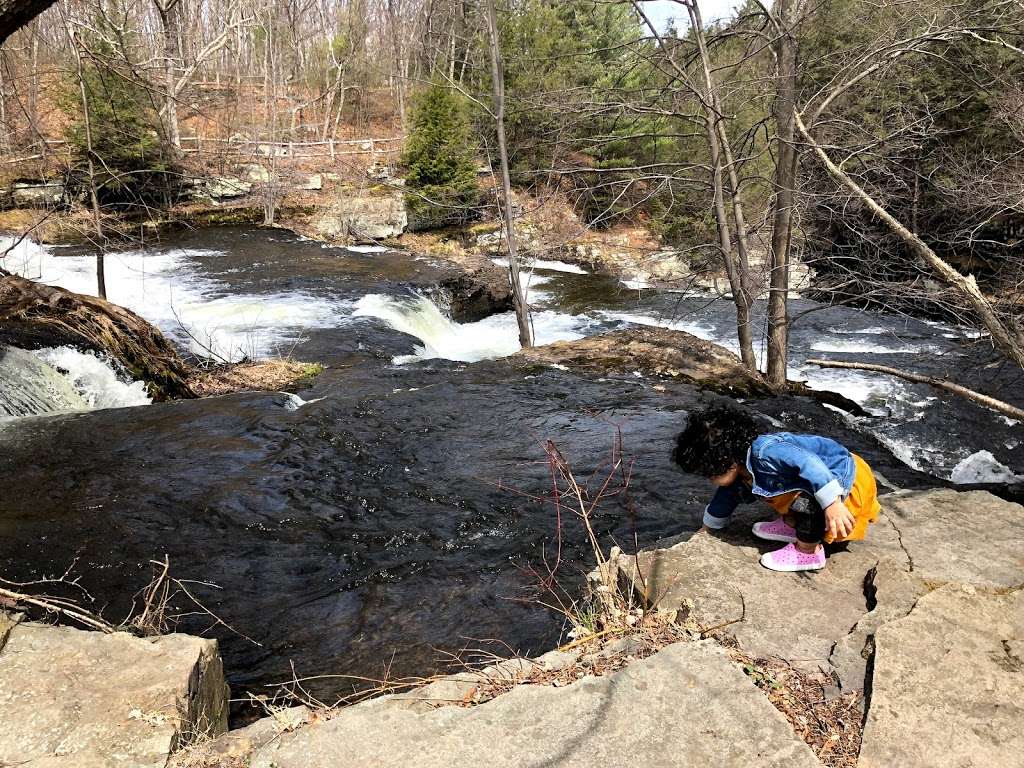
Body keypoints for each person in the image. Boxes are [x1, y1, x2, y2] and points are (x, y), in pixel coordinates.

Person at [671, 404, 880, 572]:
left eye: (709, 473)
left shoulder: (768, 453)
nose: (709, 480)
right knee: (753, 490)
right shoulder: (741, 467)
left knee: (807, 502)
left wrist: (833, 504)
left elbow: (811, 465)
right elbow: (725, 498)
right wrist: (709, 528)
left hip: (840, 477)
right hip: (815, 478)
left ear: (729, 462)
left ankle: (808, 552)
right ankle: (793, 525)